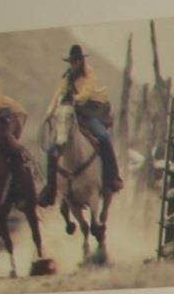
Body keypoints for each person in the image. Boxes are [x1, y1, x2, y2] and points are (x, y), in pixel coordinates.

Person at [45, 43, 119, 198]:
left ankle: (112, 177)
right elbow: (58, 94)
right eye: (72, 61)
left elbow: (86, 94)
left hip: (87, 113)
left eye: (76, 61)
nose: (74, 64)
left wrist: (73, 98)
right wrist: (49, 112)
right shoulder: (67, 76)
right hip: (69, 115)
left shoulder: (90, 74)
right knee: (52, 148)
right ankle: (50, 187)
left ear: (81, 61)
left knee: (104, 138)